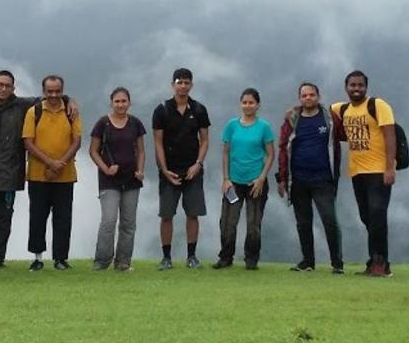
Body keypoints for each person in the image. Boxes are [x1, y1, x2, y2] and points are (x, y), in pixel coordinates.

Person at [0, 70, 75, 269]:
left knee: (3, 221)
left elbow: (50, 97)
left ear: (14, 88)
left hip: (9, 174)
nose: (3, 88)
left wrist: (69, 99)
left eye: (8, 85)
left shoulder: (23, 105)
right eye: (0, 84)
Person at [332, 70, 398, 277]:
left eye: (360, 85)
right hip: (357, 171)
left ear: (366, 87)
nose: (356, 89)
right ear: (346, 87)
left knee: (377, 215)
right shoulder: (340, 109)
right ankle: (375, 262)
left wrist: (390, 168)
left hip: (378, 171)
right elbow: (314, 111)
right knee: (366, 216)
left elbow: (390, 136)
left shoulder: (378, 105)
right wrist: (294, 111)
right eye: (352, 85)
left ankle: (380, 263)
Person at [277, 82, 345, 274]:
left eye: (311, 95)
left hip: (323, 179)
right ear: (300, 98)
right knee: (303, 223)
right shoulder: (292, 120)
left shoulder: (330, 118)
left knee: (330, 220)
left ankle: (337, 263)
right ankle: (308, 261)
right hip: (298, 179)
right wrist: (282, 178)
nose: (308, 98)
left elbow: (345, 135)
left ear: (318, 96)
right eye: (304, 95)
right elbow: (283, 148)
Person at [151, 67, 211, 270]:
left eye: (186, 82)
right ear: (172, 84)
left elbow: (204, 140)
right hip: (169, 170)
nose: (183, 86)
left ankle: (191, 256)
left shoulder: (199, 109)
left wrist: (198, 164)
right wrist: (164, 169)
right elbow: (157, 142)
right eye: (179, 82)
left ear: (191, 85)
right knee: (166, 214)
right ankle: (166, 257)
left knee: (192, 214)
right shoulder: (162, 110)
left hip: (193, 170)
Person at [22, 75, 82, 271]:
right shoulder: (34, 111)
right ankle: (37, 258)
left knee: (63, 218)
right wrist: (50, 163)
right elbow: (28, 142)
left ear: (63, 91)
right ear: (44, 92)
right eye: (50, 91)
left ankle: (60, 258)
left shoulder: (71, 112)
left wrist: (60, 164)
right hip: (38, 175)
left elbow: (77, 141)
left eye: (58, 91)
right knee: (38, 216)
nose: (54, 95)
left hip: (65, 175)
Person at [213, 88, 276, 270]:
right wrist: (226, 178)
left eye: (251, 102)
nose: (248, 106)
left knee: (253, 224)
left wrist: (262, 178)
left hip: (256, 182)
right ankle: (226, 257)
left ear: (258, 105)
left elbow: (271, 154)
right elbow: (225, 153)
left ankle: (251, 259)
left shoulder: (264, 127)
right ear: (240, 104)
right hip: (234, 182)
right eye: (245, 102)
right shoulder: (232, 125)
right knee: (227, 222)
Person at [88, 87, 146, 271]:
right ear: (111, 103)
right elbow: (93, 150)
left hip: (131, 179)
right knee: (109, 220)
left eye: (124, 101)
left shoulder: (135, 123)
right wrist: (106, 169)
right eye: (117, 101)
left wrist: (140, 169)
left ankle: (123, 262)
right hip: (109, 180)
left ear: (129, 102)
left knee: (128, 223)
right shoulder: (102, 124)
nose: (121, 104)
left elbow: (141, 150)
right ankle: (102, 261)